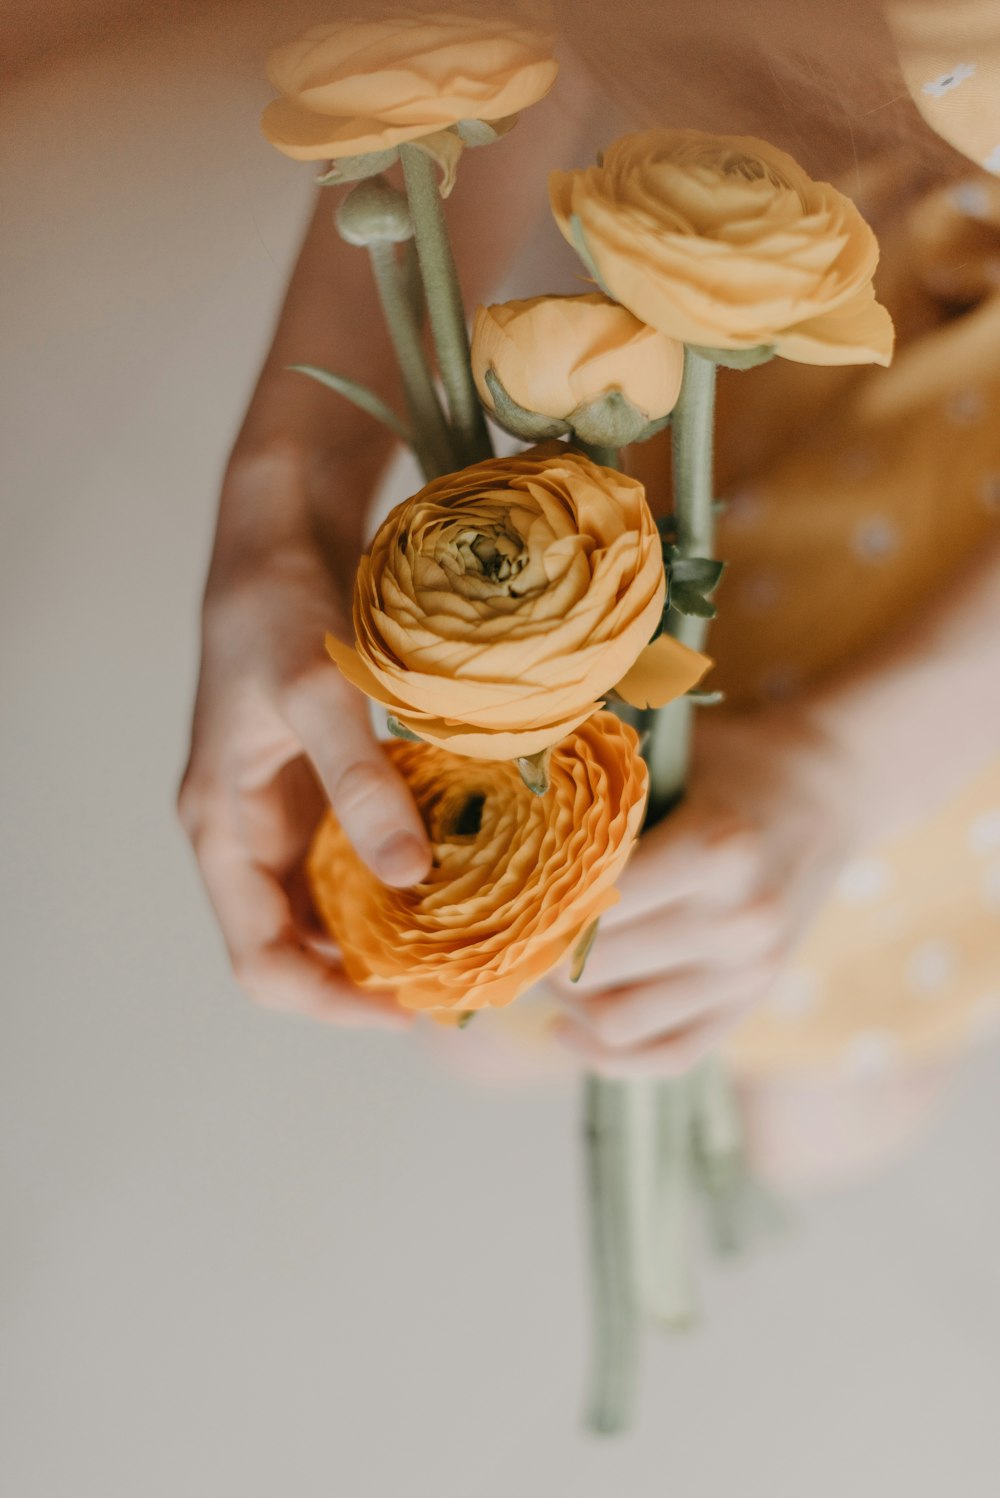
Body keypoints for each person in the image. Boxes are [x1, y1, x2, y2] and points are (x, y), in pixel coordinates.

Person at [177, 0, 1000, 1166]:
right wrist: (285, 502)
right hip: (797, 235)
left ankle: (895, 1025)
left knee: (820, 1103)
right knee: (507, 1012)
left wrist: (840, 771)